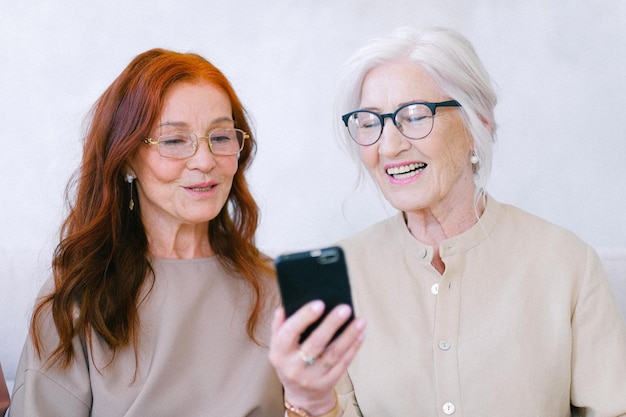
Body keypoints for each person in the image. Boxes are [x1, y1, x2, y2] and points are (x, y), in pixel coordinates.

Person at [269, 27, 626, 416]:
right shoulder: (344, 274)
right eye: (370, 122)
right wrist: (310, 402)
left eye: (415, 115)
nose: (389, 146)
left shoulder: (568, 263)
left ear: (479, 123)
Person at [10, 48, 283, 416]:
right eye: (173, 141)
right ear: (125, 159)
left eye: (220, 137)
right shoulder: (79, 293)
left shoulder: (276, 288)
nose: (204, 161)